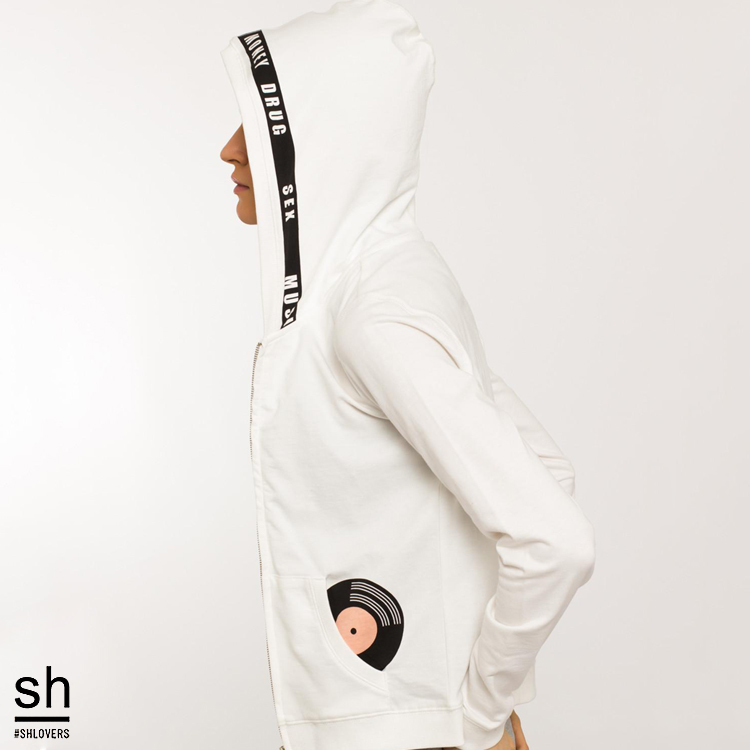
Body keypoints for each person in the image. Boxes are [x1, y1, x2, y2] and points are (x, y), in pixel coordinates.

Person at [219, 2, 596, 750]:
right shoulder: (390, 277)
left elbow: (555, 539)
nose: (231, 150)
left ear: (327, 137)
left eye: (261, 124)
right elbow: (547, 470)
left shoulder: (371, 315)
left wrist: (476, 718)